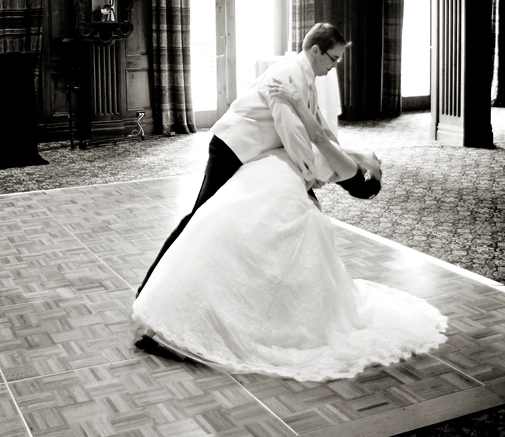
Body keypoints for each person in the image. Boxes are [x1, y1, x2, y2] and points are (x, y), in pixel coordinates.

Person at [131, 89, 447, 380]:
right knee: (219, 227)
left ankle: (204, 325)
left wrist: (295, 102)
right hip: (265, 170)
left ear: (366, 176)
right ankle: (185, 319)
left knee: (239, 236)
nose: (380, 163)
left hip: (277, 178)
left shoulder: (349, 166)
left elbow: (320, 139)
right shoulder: (345, 161)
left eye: (380, 171)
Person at [136, 23, 380, 299]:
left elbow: (320, 129)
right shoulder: (289, 75)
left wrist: (335, 160)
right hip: (232, 146)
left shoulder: (306, 77)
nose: (334, 65)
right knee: (200, 217)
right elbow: (291, 130)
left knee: (224, 220)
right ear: (316, 50)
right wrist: (309, 174)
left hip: (250, 148)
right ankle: (151, 288)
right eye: (333, 58)